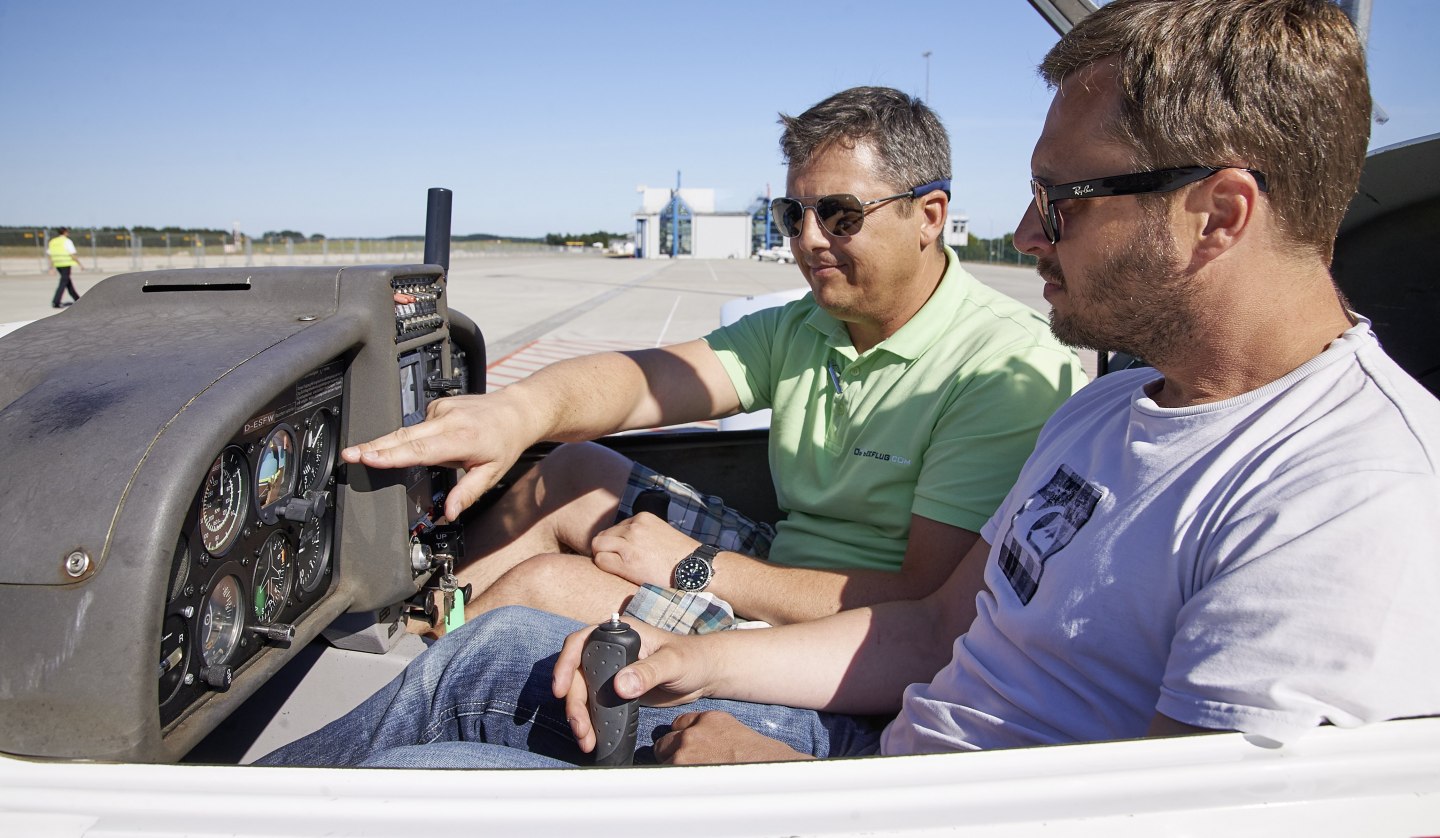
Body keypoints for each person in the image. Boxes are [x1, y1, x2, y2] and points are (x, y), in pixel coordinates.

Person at [260, 0, 1440, 770]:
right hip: (884, 767)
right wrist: (693, 659)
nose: (1027, 234)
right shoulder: (1105, 411)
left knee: (436, 779)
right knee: (485, 652)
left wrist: (777, 772)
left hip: (875, 799)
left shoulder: (1345, 502)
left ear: (1218, 215)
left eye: (1063, 197)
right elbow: (934, 627)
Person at [357, 86, 1084, 635]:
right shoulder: (808, 326)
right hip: (782, 563)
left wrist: (694, 567)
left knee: (549, 585)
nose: (807, 239)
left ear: (928, 216)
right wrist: (520, 412)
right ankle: (439, 642)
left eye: (840, 215)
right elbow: (649, 380)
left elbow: (923, 602)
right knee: (573, 471)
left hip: (853, 628)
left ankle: (429, 715)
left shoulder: (1001, 365)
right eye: (790, 215)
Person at [47, 227, 83, 308]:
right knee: (63, 282)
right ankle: (56, 301)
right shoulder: (67, 241)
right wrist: (80, 264)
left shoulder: (53, 241)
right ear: (65, 232)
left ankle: (77, 299)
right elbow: (72, 254)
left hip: (58, 264)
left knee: (67, 281)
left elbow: (50, 254)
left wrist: (51, 267)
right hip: (65, 264)